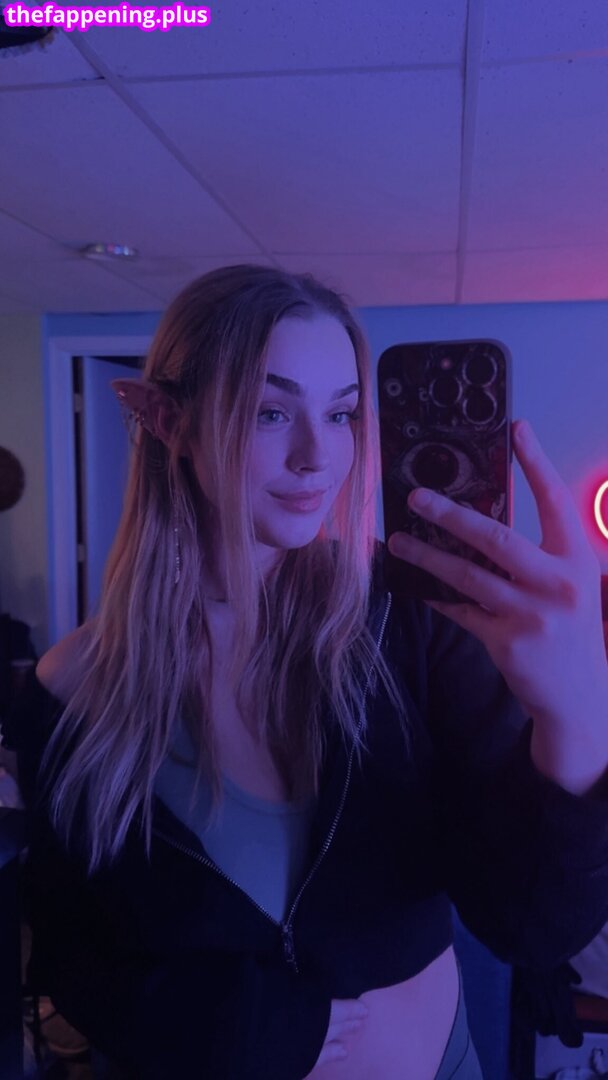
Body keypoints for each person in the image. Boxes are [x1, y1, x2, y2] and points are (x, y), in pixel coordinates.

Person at [5, 263, 608, 1080]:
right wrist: (252, 1032)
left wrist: (578, 719)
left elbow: (532, 930)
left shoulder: (407, 619)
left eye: (342, 412)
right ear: (169, 421)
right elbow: (71, 950)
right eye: (271, 411)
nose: (318, 455)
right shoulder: (72, 689)